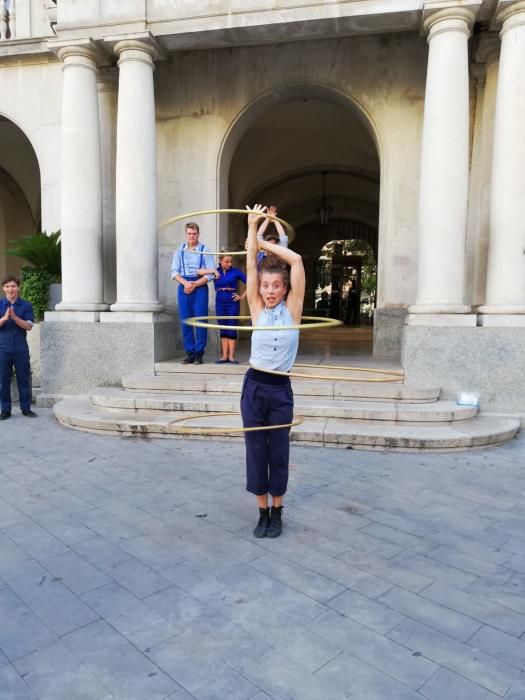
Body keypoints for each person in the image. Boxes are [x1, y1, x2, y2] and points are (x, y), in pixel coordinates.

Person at [241, 204, 305, 539]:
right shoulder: (255, 307)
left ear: (284, 289)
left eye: (275, 286)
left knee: (278, 451)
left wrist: (265, 243)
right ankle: (262, 512)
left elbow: (296, 261)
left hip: (280, 389)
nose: (268, 291)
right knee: (256, 451)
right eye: (265, 286)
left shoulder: (294, 309)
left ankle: (277, 512)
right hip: (254, 386)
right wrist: (253, 228)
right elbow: (250, 265)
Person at [171, 222, 215, 364]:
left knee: (201, 320)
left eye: (194, 233)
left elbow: (210, 274)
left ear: (198, 234)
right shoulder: (179, 250)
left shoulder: (205, 250)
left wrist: (195, 284)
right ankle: (190, 353)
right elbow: (174, 272)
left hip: (200, 286)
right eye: (189, 233)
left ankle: (199, 353)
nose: (192, 236)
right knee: (185, 320)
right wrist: (185, 283)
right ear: (186, 234)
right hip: (184, 286)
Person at [197, 251, 247, 364]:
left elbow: (251, 282)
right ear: (220, 261)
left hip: (232, 303)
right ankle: (224, 356)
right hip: (220, 302)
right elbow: (199, 271)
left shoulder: (235, 272)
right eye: (227, 261)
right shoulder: (216, 271)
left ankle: (232, 356)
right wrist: (213, 270)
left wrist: (242, 296)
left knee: (231, 328)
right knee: (223, 328)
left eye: (231, 261)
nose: (229, 263)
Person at [0, 275, 37, 419]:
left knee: (24, 378)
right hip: (3, 348)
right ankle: (5, 410)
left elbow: (29, 326)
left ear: (18, 288)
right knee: (3, 380)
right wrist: (4, 318)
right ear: (3, 288)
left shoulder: (26, 305)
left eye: (13, 286)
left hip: (21, 347)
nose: (11, 289)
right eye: (7, 286)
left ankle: (26, 408)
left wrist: (15, 318)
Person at [256, 204, 288, 269]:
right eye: (268, 246)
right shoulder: (260, 255)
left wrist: (275, 220)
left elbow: (283, 238)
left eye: (273, 246)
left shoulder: (281, 255)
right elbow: (258, 236)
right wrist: (267, 219)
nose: (271, 248)